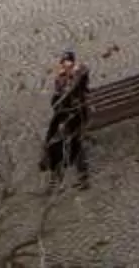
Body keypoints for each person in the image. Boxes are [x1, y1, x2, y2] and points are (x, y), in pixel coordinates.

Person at [42, 50, 90, 189]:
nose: (64, 66)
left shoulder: (78, 76)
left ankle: (82, 177)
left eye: (67, 62)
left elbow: (82, 74)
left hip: (76, 115)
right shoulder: (61, 79)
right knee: (52, 142)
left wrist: (72, 74)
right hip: (63, 115)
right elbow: (56, 102)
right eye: (62, 63)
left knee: (75, 143)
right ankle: (56, 177)